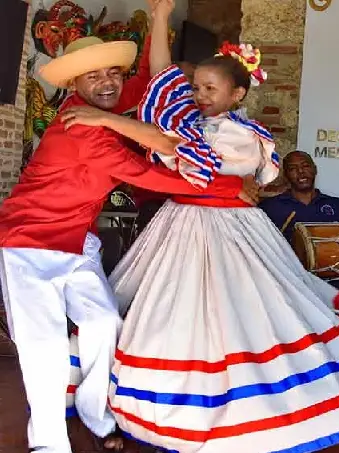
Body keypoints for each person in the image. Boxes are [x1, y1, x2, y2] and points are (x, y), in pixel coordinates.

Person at [61, 2, 339, 451]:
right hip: (182, 224)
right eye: (197, 87)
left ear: (237, 95)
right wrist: (159, 19)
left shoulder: (238, 135)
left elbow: (171, 142)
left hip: (229, 230)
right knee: (174, 309)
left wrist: (107, 118)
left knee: (240, 311)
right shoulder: (194, 121)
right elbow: (162, 82)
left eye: (211, 88)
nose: (200, 95)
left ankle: (240, 401)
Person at [0, 30, 257, 453]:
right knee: (42, 344)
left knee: (104, 324)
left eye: (113, 73)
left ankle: (94, 411)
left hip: (77, 241)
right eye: (93, 76)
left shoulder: (109, 106)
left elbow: (148, 81)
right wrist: (230, 189)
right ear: (73, 86)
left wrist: (160, 17)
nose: (107, 83)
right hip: (30, 244)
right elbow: (149, 174)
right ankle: (47, 443)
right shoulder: (79, 126)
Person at [260, 150, 339, 301]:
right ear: (286, 175)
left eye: (305, 166)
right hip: (291, 276)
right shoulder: (271, 207)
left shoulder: (338, 206)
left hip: (335, 276)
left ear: (314, 169)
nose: (301, 172)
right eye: (293, 169)